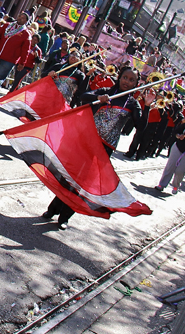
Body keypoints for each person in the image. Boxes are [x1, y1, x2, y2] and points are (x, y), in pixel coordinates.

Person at [42, 66, 142, 229]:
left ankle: (65, 217)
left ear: (136, 83)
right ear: (119, 77)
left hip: (104, 149)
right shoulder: (107, 91)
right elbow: (84, 96)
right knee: (69, 176)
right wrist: (100, 98)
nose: (127, 82)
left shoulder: (132, 103)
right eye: (125, 77)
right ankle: (53, 209)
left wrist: (148, 105)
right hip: (86, 140)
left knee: (82, 184)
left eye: (132, 80)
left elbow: (140, 126)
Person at [0, 14, 31, 101]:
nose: (20, 18)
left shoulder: (26, 34)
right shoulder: (8, 25)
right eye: (19, 16)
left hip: (10, 59)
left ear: (26, 21)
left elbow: (25, 50)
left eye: (23, 18)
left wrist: (22, 63)